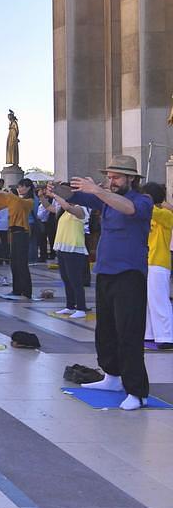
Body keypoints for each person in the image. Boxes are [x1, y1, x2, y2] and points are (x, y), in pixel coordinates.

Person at [61, 156, 153, 410]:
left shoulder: (141, 200)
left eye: (116, 177)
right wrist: (59, 188)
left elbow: (129, 209)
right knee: (106, 331)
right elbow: (74, 198)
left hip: (130, 275)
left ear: (131, 179)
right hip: (105, 273)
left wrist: (98, 190)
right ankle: (112, 377)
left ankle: (137, 391)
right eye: (109, 177)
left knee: (129, 333)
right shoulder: (106, 199)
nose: (111, 181)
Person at [43, 185, 90, 318]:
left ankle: (81, 307)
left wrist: (56, 195)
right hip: (62, 247)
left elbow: (69, 207)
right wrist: (42, 196)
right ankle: (70, 306)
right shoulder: (62, 210)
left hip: (74, 248)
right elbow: (48, 207)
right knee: (66, 279)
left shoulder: (81, 209)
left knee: (75, 280)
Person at [141, 182, 173, 350]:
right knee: (148, 300)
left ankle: (167, 335)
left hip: (159, 261)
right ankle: (151, 333)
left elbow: (152, 210)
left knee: (159, 299)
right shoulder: (149, 214)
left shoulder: (166, 215)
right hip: (147, 261)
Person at [0, 178, 35, 300]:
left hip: (22, 233)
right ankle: (17, 290)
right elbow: (3, 204)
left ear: (28, 188)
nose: (20, 189)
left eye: (22, 186)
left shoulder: (29, 201)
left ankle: (26, 292)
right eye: (19, 186)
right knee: (14, 263)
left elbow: (18, 201)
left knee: (21, 263)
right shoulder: (17, 200)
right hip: (14, 232)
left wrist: (4, 193)